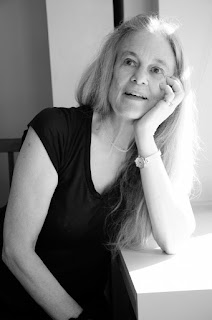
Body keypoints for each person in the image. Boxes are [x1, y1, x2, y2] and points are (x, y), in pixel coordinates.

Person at [0, 14, 199, 320]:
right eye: (129, 61)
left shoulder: (152, 161)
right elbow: (15, 251)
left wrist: (145, 137)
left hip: (79, 307)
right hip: (14, 299)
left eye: (156, 70)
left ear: (170, 89)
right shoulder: (55, 129)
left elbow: (173, 239)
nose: (139, 78)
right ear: (111, 69)